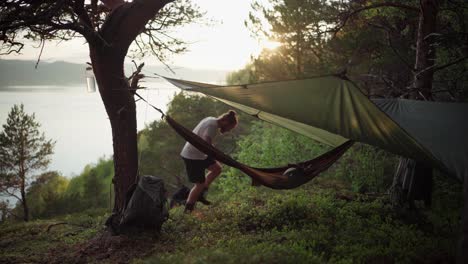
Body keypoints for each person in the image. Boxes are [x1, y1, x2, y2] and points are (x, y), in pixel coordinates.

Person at [180, 110, 238, 213]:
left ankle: (201, 194)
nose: (229, 130)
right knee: (199, 184)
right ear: (226, 122)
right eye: (230, 128)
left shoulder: (211, 119)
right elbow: (207, 142)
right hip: (192, 156)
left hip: (200, 153)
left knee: (217, 169)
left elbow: (206, 143)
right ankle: (188, 209)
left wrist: (216, 154)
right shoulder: (212, 126)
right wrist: (217, 155)